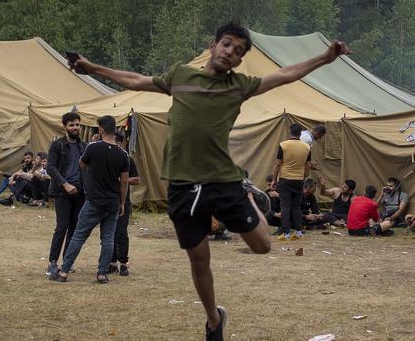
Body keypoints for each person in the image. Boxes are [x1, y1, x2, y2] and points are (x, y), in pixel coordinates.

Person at [68, 22, 349, 339]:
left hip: (222, 180)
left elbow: (284, 75)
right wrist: (91, 67)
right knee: (199, 261)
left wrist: (325, 58)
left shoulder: (239, 85)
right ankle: (214, 321)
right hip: (182, 185)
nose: (231, 53)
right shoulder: (181, 76)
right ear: (213, 45)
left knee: (262, 245)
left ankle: (246, 193)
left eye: (238, 51)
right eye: (227, 45)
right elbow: (135, 80)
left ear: (239, 61)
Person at [54, 115, 129, 284]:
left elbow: (82, 165)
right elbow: (124, 182)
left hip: (94, 201)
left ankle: (64, 271)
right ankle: (102, 273)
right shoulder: (123, 155)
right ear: (115, 130)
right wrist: (122, 203)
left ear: (101, 130)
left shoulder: (93, 148)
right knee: (108, 238)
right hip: (112, 202)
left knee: (79, 236)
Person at [45, 111, 86, 279]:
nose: (75, 128)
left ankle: (67, 262)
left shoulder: (83, 146)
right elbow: (51, 168)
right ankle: (52, 263)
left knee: (75, 229)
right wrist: (65, 184)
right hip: (62, 192)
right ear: (65, 127)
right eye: (71, 125)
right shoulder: (58, 145)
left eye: (77, 124)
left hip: (80, 192)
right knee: (61, 227)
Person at [272, 123, 311, 240]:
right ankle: (298, 231)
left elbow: (278, 163)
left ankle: (286, 232)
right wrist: (304, 176)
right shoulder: (307, 147)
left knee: (285, 206)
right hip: (298, 179)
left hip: (285, 179)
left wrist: (274, 179)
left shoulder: (283, 145)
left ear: (290, 132)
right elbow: (308, 165)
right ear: (300, 133)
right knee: (296, 206)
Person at [110, 129, 140, 277]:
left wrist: (123, 180)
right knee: (109, 232)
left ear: (120, 143)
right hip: (107, 200)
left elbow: (137, 179)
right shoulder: (105, 158)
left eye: (114, 141)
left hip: (123, 201)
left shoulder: (127, 159)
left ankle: (123, 262)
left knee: (121, 232)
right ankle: (111, 262)